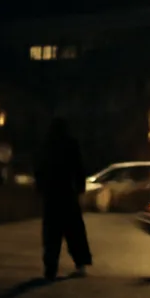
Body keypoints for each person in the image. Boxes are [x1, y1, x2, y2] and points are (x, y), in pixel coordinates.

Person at [35, 117, 92, 280]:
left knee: (51, 233)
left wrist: (40, 187)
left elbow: (40, 168)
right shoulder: (70, 144)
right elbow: (78, 167)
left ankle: (50, 268)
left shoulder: (47, 145)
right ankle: (80, 263)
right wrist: (80, 187)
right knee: (74, 230)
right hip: (67, 192)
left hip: (52, 193)